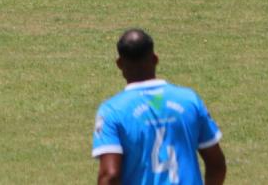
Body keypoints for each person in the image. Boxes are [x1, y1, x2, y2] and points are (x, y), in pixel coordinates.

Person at [93, 28, 226, 185]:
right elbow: (217, 165)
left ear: (120, 64)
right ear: (155, 59)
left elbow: (110, 175)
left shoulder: (112, 111)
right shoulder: (189, 100)